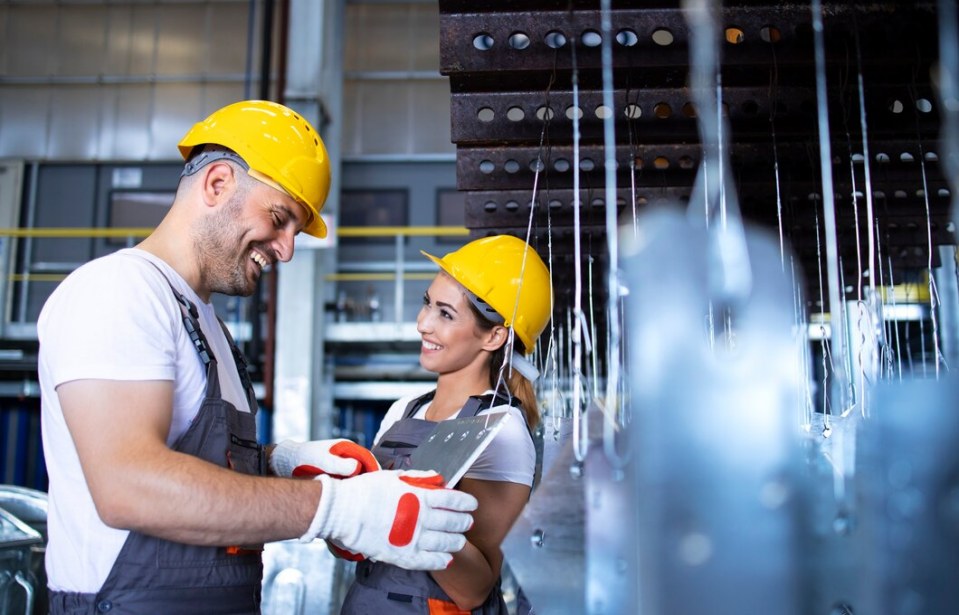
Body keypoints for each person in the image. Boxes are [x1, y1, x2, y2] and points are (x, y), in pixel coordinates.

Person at [36, 99, 478, 615]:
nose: (287, 249)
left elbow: (193, 457)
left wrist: (279, 463)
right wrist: (337, 509)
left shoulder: (206, 324)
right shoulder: (117, 291)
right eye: (279, 217)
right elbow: (129, 486)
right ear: (218, 183)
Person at [338, 234, 552, 614]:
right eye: (427, 304)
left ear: (494, 335)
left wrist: (413, 519)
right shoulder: (404, 410)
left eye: (445, 314)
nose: (423, 323)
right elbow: (365, 544)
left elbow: (474, 588)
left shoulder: (501, 429)